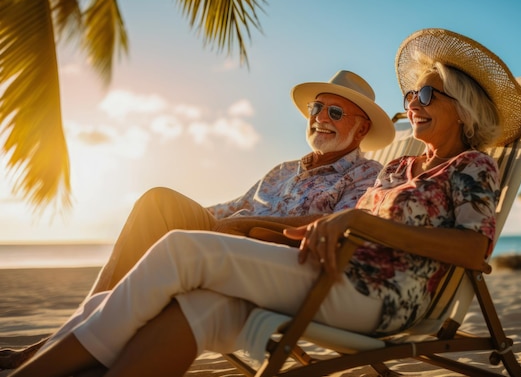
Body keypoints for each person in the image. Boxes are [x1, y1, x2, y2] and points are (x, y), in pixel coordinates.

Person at [9, 27, 521, 377]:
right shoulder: (399, 167)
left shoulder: (470, 167)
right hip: (332, 270)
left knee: (180, 251)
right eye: (410, 96)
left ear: (461, 110)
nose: (412, 105)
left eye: (424, 95)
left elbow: (471, 249)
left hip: (378, 292)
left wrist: (357, 222)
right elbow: (349, 219)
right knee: (199, 309)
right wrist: (316, 222)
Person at [0, 69, 395, 370]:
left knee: (170, 223)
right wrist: (188, 220)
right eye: (316, 108)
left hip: (263, 250)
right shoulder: (283, 169)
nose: (320, 117)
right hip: (222, 234)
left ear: (361, 128)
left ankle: (66, 346)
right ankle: (70, 338)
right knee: (158, 202)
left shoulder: (364, 175)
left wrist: (242, 227)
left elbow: (344, 224)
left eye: (336, 111)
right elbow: (229, 206)